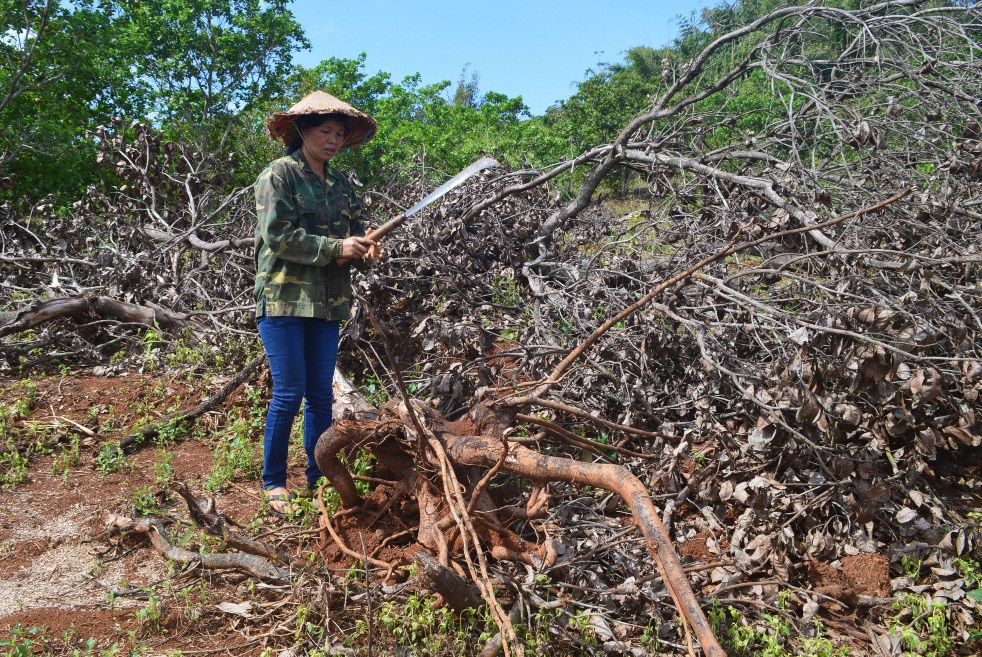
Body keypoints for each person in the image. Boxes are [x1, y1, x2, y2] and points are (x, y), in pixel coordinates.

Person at [254, 91, 381, 517]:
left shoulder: (342, 184)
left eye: (340, 134)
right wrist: (336, 246)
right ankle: (274, 482)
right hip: (284, 299)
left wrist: (365, 248)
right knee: (288, 394)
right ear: (302, 131)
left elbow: (356, 236)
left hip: (328, 305)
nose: (333, 140)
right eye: (324, 131)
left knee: (320, 397)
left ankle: (317, 475)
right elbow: (279, 237)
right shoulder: (278, 175)